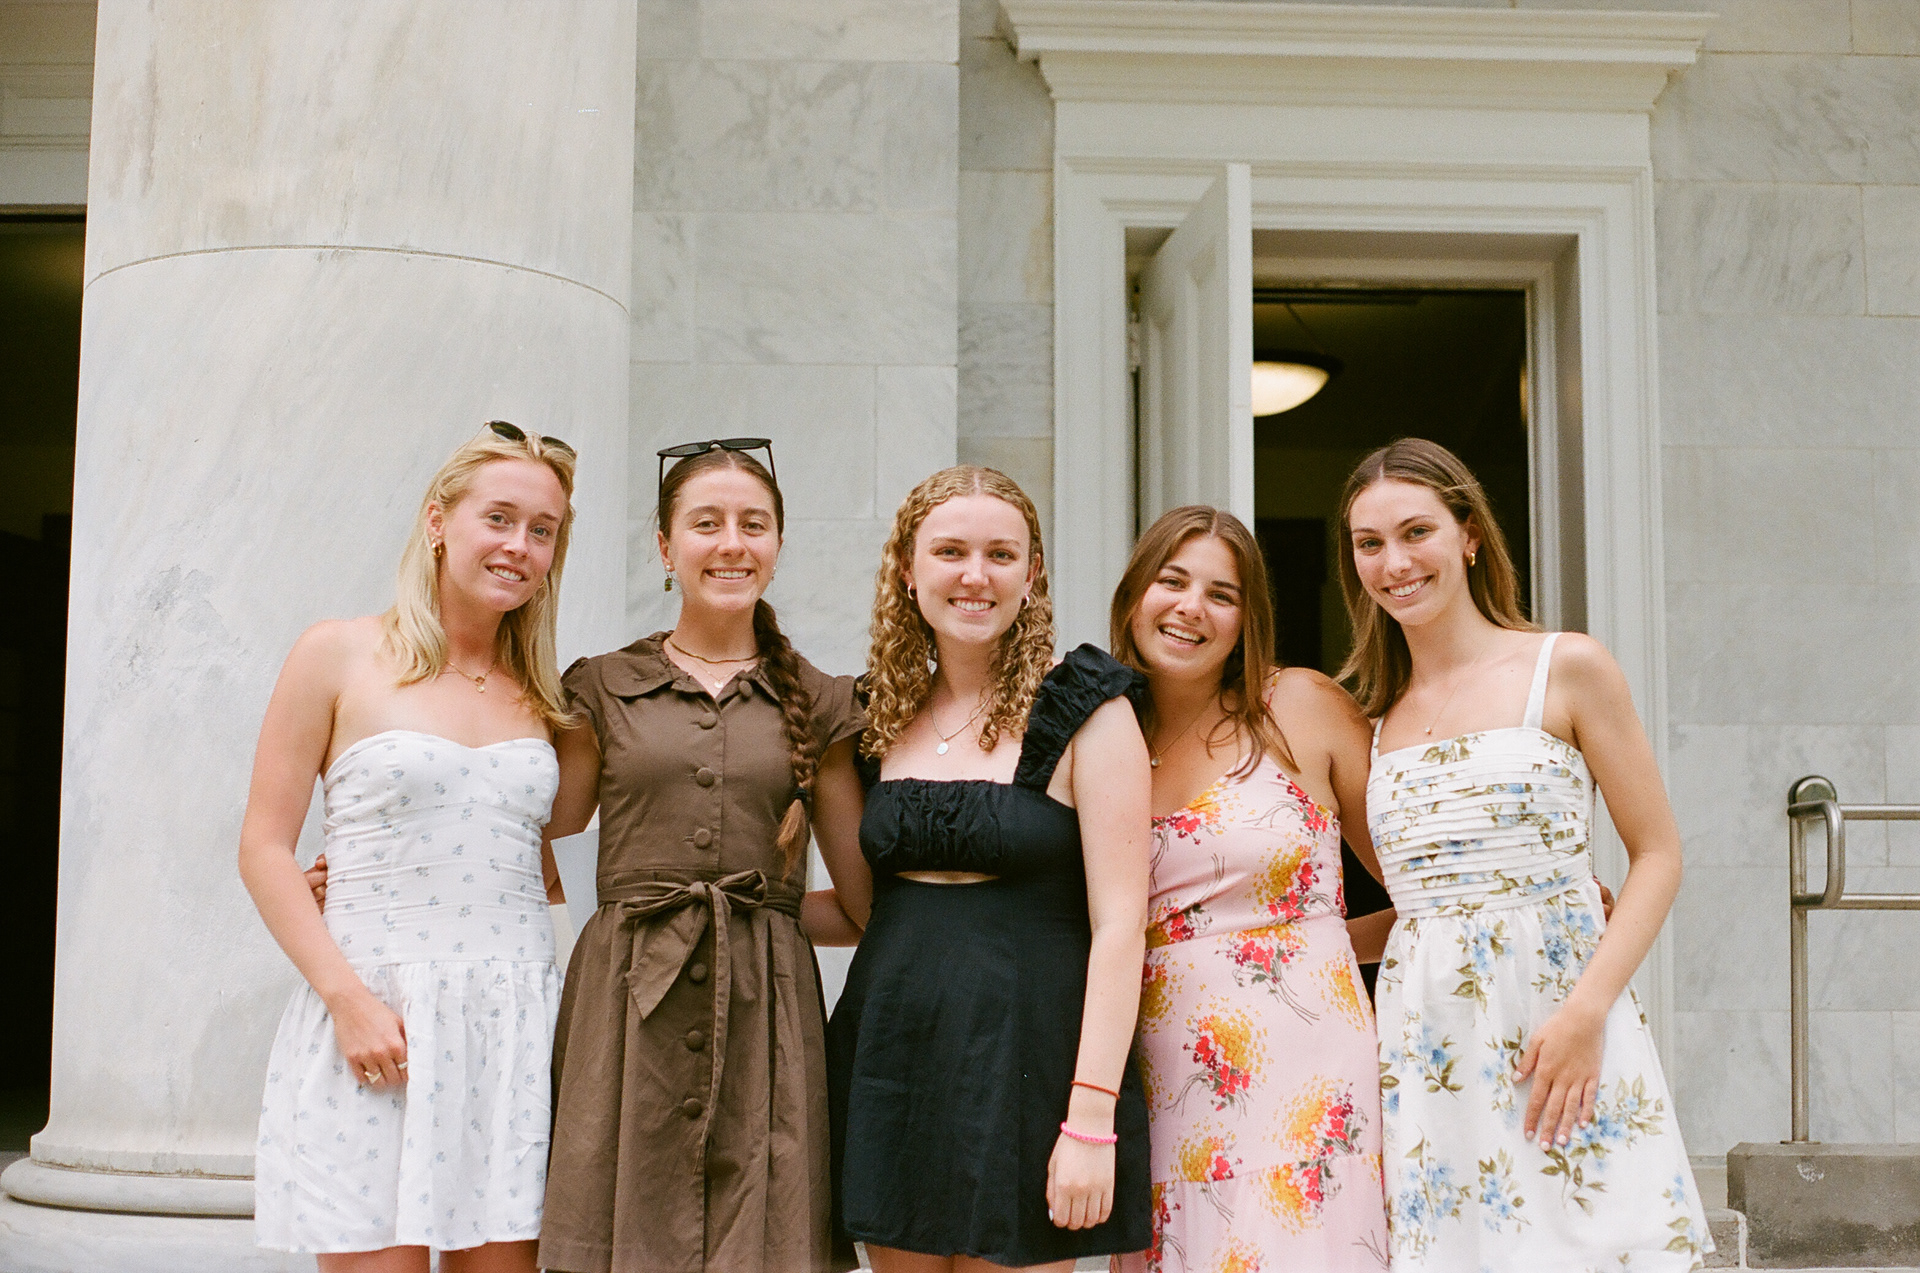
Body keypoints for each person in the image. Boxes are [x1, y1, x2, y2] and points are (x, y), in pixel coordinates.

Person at [1342, 438, 1709, 1269]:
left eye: (1416, 531)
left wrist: (1587, 1013)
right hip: (1431, 1041)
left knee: (1601, 1243)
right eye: (1370, 543)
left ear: (1468, 533)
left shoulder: (1566, 666)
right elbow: (1424, 912)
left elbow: (1658, 854)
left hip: (1563, 1016)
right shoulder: (1372, 717)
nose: (1394, 562)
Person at [241, 421, 578, 1271]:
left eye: (543, 530)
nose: (520, 545)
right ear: (438, 520)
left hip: (511, 1026)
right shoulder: (339, 654)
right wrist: (346, 998)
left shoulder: (545, 696)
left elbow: (536, 864)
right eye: (499, 518)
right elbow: (264, 846)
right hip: (377, 1012)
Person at [536, 438, 870, 1273]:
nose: (732, 543)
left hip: (769, 1011)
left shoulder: (823, 702)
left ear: (778, 544)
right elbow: (535, 836)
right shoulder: (602, 688)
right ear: (664, 546)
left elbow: (864, 903)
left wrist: (772, 923)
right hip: (625, 1003)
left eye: (753, 524)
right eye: (706, 523)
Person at [828, 465, 1154, 1272]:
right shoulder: (869, 715)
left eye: (1001, 554)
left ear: (1032, 572)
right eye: (950, 551)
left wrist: (1090, 1119)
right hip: (892, 1061)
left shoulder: (1087, 707)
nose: (976, 575)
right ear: (908, 569)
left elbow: (1122, 925)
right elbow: (856, 906)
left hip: (1034, 1069)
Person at [1109, 505, 1391, 1273]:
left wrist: (1525, 898)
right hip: (1171, 1079)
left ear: (1247, 618)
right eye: (1172, 581)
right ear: (1134, 595)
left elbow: (1418, 889)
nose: (1191, 607)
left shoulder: (1297, 705)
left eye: (1221, 593)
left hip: (1312, 1071)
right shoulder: (1104, 737)